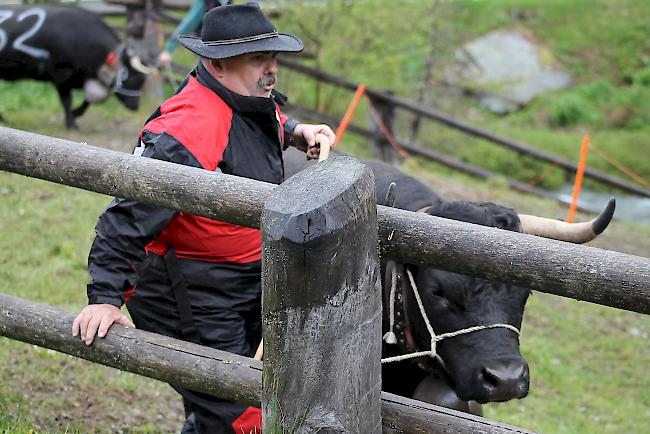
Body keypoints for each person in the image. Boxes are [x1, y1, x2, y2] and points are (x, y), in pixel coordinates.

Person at [71, 3, 335, 433]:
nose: (272, 70)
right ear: (217, 63)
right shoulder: (188, 130)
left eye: (274, 57)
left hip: (242, 276)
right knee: (242, 414)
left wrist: (296, 131)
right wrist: (104, 297)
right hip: (191, 288)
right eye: (258, 59)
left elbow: (263, 119)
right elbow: (127, 215)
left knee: (244, 394)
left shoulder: (247, 96)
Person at [158, 0, 228, 66]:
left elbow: (189, 23)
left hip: (215, 52)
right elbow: (189, 23)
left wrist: (168, 49)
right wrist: (169, 48)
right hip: (219, 51)